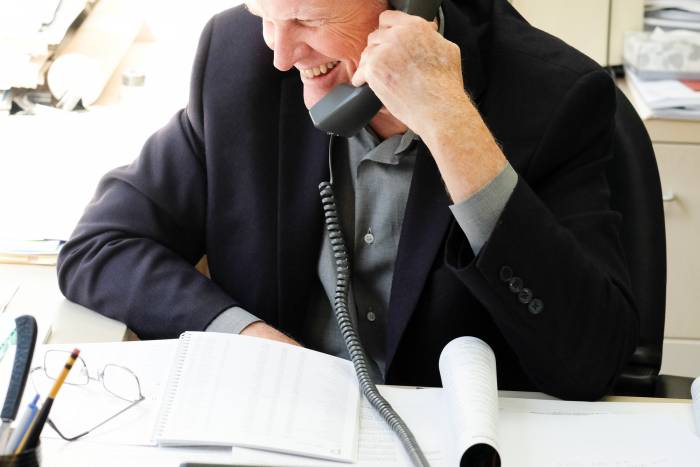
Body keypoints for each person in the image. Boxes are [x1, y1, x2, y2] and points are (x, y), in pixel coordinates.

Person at [57, 0, 638, 400]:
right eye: (265, 14)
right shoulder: (238, 60)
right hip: (286, 432)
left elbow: (590, 359)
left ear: (404, 7)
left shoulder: (553, 97)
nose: (282, 56)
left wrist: (451, 125)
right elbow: (102, 246)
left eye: (307, 20)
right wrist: (247, 338)